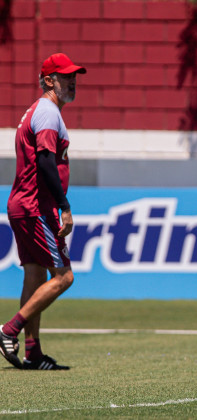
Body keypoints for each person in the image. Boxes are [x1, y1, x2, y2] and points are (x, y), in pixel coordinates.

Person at [0, 53, 86, 370]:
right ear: (49, 80)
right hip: (38, 207)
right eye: (65, 76)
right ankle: (9, 330)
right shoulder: (48, 112)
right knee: (64, 277)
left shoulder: (39, 111)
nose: (72, 81)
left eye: (74, 75)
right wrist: (64, 206)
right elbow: (46, 161)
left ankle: (33, 352)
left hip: (21, 204)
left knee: (34, 276)